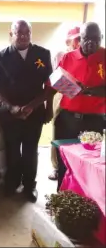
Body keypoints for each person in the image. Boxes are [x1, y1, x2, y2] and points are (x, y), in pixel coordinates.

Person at [23, 22, 105, 191]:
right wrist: (39, 108)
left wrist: (88, 91)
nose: (91, 43)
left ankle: (85, 202)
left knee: (89, 164)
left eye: (96, 39)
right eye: (86, 39)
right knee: (64, 162)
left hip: (93, 122)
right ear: (79, 39)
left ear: (101, 39)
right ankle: (62, 198)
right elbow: (52, 86)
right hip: (67, 119)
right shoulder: (68, 58)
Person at [0, 20, 53, 202]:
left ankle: (29, 186)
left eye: (27, 33)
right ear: (11, 34)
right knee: (12, 150)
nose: (24, 36)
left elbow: (49, 86)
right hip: (10, 112)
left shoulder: (43, 54)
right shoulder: (1, 57)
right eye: (19, 33)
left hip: (34, 111)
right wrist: (12, 107)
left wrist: (37, 107)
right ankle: (12, 183)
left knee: (30, 150)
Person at [48, 26, 81, 181]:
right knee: (59, 133)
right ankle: (57, 167)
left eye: (81, 38)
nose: (79, 42)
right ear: (69, 41)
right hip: (61, 98)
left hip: (80, 102)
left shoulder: (87, 56)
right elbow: (54, 78)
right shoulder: (63, 55)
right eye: (77, 39)